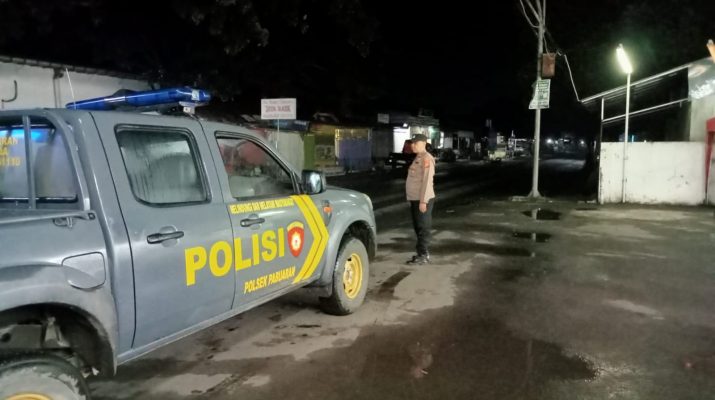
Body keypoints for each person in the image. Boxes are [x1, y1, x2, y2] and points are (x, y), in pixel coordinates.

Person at [405, 134, 435, 265]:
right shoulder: (418, 157)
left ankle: (423, 254)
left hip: (422, 199)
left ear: (423, 143)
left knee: (423, 227)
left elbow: (427, 181)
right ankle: (421, 253)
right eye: (412, 143)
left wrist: (424, 201)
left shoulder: (427, 158)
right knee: (418, 227)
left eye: (415, 143)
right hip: (415, 198)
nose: (413, 145)